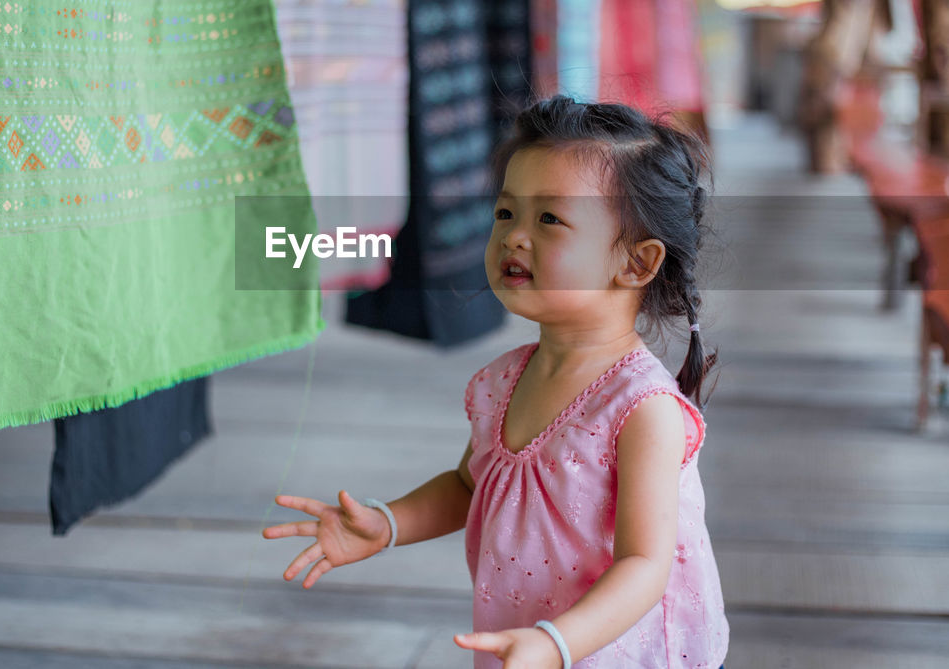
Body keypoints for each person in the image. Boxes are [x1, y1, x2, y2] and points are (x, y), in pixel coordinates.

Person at [263, 96, 729, 667]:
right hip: (523, 640)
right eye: (506, 214)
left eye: (549, 219)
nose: (514, 237)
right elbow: (468, 486)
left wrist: (558, 643)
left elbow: (644, 566)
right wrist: (386, 524)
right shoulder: (503, 380)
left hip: (617, 650)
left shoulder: (641, 408)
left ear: (635, 263)